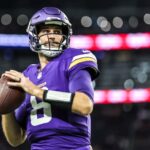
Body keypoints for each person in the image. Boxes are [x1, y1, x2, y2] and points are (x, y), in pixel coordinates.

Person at [2, 7, 99, 150]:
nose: (52, 36)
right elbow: (16, 139)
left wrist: (36, 91)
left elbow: (85, 105)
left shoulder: (73, 59)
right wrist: (6, 107)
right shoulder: (27, 75)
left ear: (65, 37)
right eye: (46, 31)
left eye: (57, 32)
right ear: (34, 35)